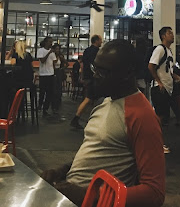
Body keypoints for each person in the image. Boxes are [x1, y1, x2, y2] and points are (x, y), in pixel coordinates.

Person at [41, 40, 165, 207]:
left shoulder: (142, 116)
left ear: (127, 73)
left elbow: (154, 192)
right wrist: (61, 171)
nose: (95, 76)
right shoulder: (106, 102)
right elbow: (97, 153)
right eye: (95, 69)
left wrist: (91, 196)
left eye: (103, 72)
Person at [148, 26, 180, 154]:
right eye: (169, 33)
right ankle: (156, 144)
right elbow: (151, 66)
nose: (172, 35)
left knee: (163, 118)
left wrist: (176, 77)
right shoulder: (160, 49)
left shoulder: (169, 51)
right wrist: (159, 82)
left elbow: (168, 70)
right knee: (159, 117)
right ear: (163, 36)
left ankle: (158, 143)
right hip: (160, 88)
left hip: (167, 88)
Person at [70, 34, 102, 129]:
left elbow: (82, 64)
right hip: (94, 77)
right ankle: (79, 118)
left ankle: (80, 118)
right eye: (100, 40)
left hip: (88, 76)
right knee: (91, 98)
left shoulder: (87, 50)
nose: (101, 42)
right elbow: (96, 65)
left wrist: (83, 76)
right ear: (96, 41)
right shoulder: (97, 52)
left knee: (89, 98)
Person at [37, 37, 57, 116]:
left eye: (51, 42)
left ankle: (45, 108)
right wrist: (49, 53)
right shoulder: (40, 50)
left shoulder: (52, 52)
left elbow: (54, 62)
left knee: (50, 93)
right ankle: (40, 105)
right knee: (42, 91)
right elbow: (42, 61)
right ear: (45, 42)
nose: (51, 43)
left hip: (50, 74)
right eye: (49, 42)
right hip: (43, 74)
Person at [53, 44, 68, 112]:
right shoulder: (52, 56)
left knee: (59, 86)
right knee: (54, 87)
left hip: (59, 72)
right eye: (56, 49)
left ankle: (58, 99)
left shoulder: (61, 56)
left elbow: (67, 64)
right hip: (53, 72)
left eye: (58, 49)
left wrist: (62, 69)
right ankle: (54, 100)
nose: (57, 50)